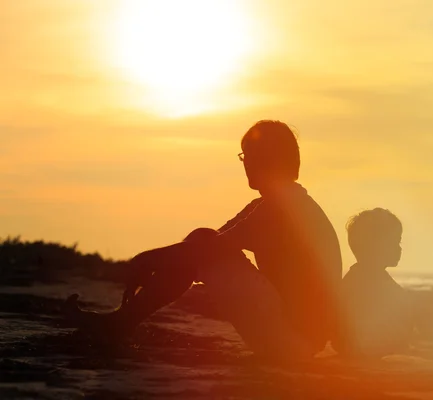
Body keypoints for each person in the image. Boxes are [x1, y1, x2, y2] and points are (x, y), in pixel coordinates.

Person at [64, 120, 343, 360]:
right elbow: (203, 246)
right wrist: (161, 261)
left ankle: (120, 324)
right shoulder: (274, 203)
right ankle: (121, 323)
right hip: (294, 338)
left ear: (270, 158)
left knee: (202, 245)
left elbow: (208, 248)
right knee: (200, 244)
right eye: (243, 156)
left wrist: (144, 260)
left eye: (250, 155)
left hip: (293, 340)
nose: (245, 164)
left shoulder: (284, 207)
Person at [332, 208, 415, 358]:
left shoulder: (366, 276)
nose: (399, 247)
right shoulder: (366, 281)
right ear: (374, 245)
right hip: (366, 347)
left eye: (399, 241)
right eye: (394, 242)